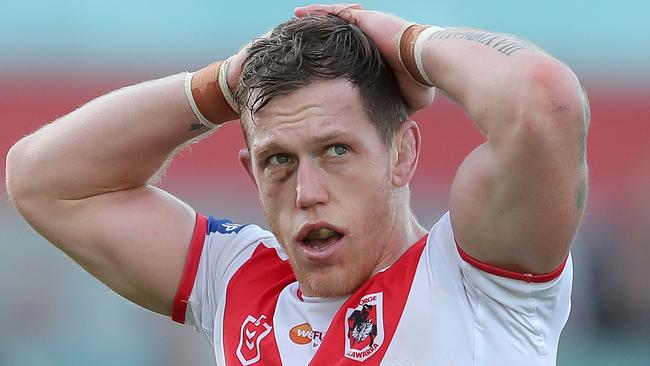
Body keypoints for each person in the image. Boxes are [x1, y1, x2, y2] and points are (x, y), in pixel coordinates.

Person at [5, 3, 589, 365]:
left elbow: (547, 103)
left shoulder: (480, 283)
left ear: (403, 154)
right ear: (251, 173)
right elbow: (40, 179)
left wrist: (404, 41)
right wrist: (222, 86)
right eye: (278, 160)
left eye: (336, 151)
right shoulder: (236, 279)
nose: (306, 190)